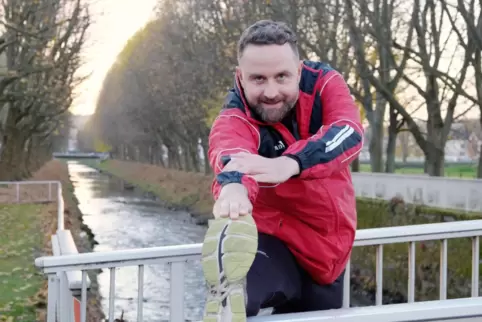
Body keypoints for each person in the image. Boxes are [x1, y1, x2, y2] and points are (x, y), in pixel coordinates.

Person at [201, 19, 363, 322]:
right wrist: (233, 187)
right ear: (240, 77)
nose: (271, 91)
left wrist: (289, 164)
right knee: (241, 291)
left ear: (299, 71)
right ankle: (226, 295)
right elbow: (229, 152)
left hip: (327, 251)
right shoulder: (234, 116)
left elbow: (348, 131)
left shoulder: (325, 84)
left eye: (282, 77)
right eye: (258, 79)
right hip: (273, 242)